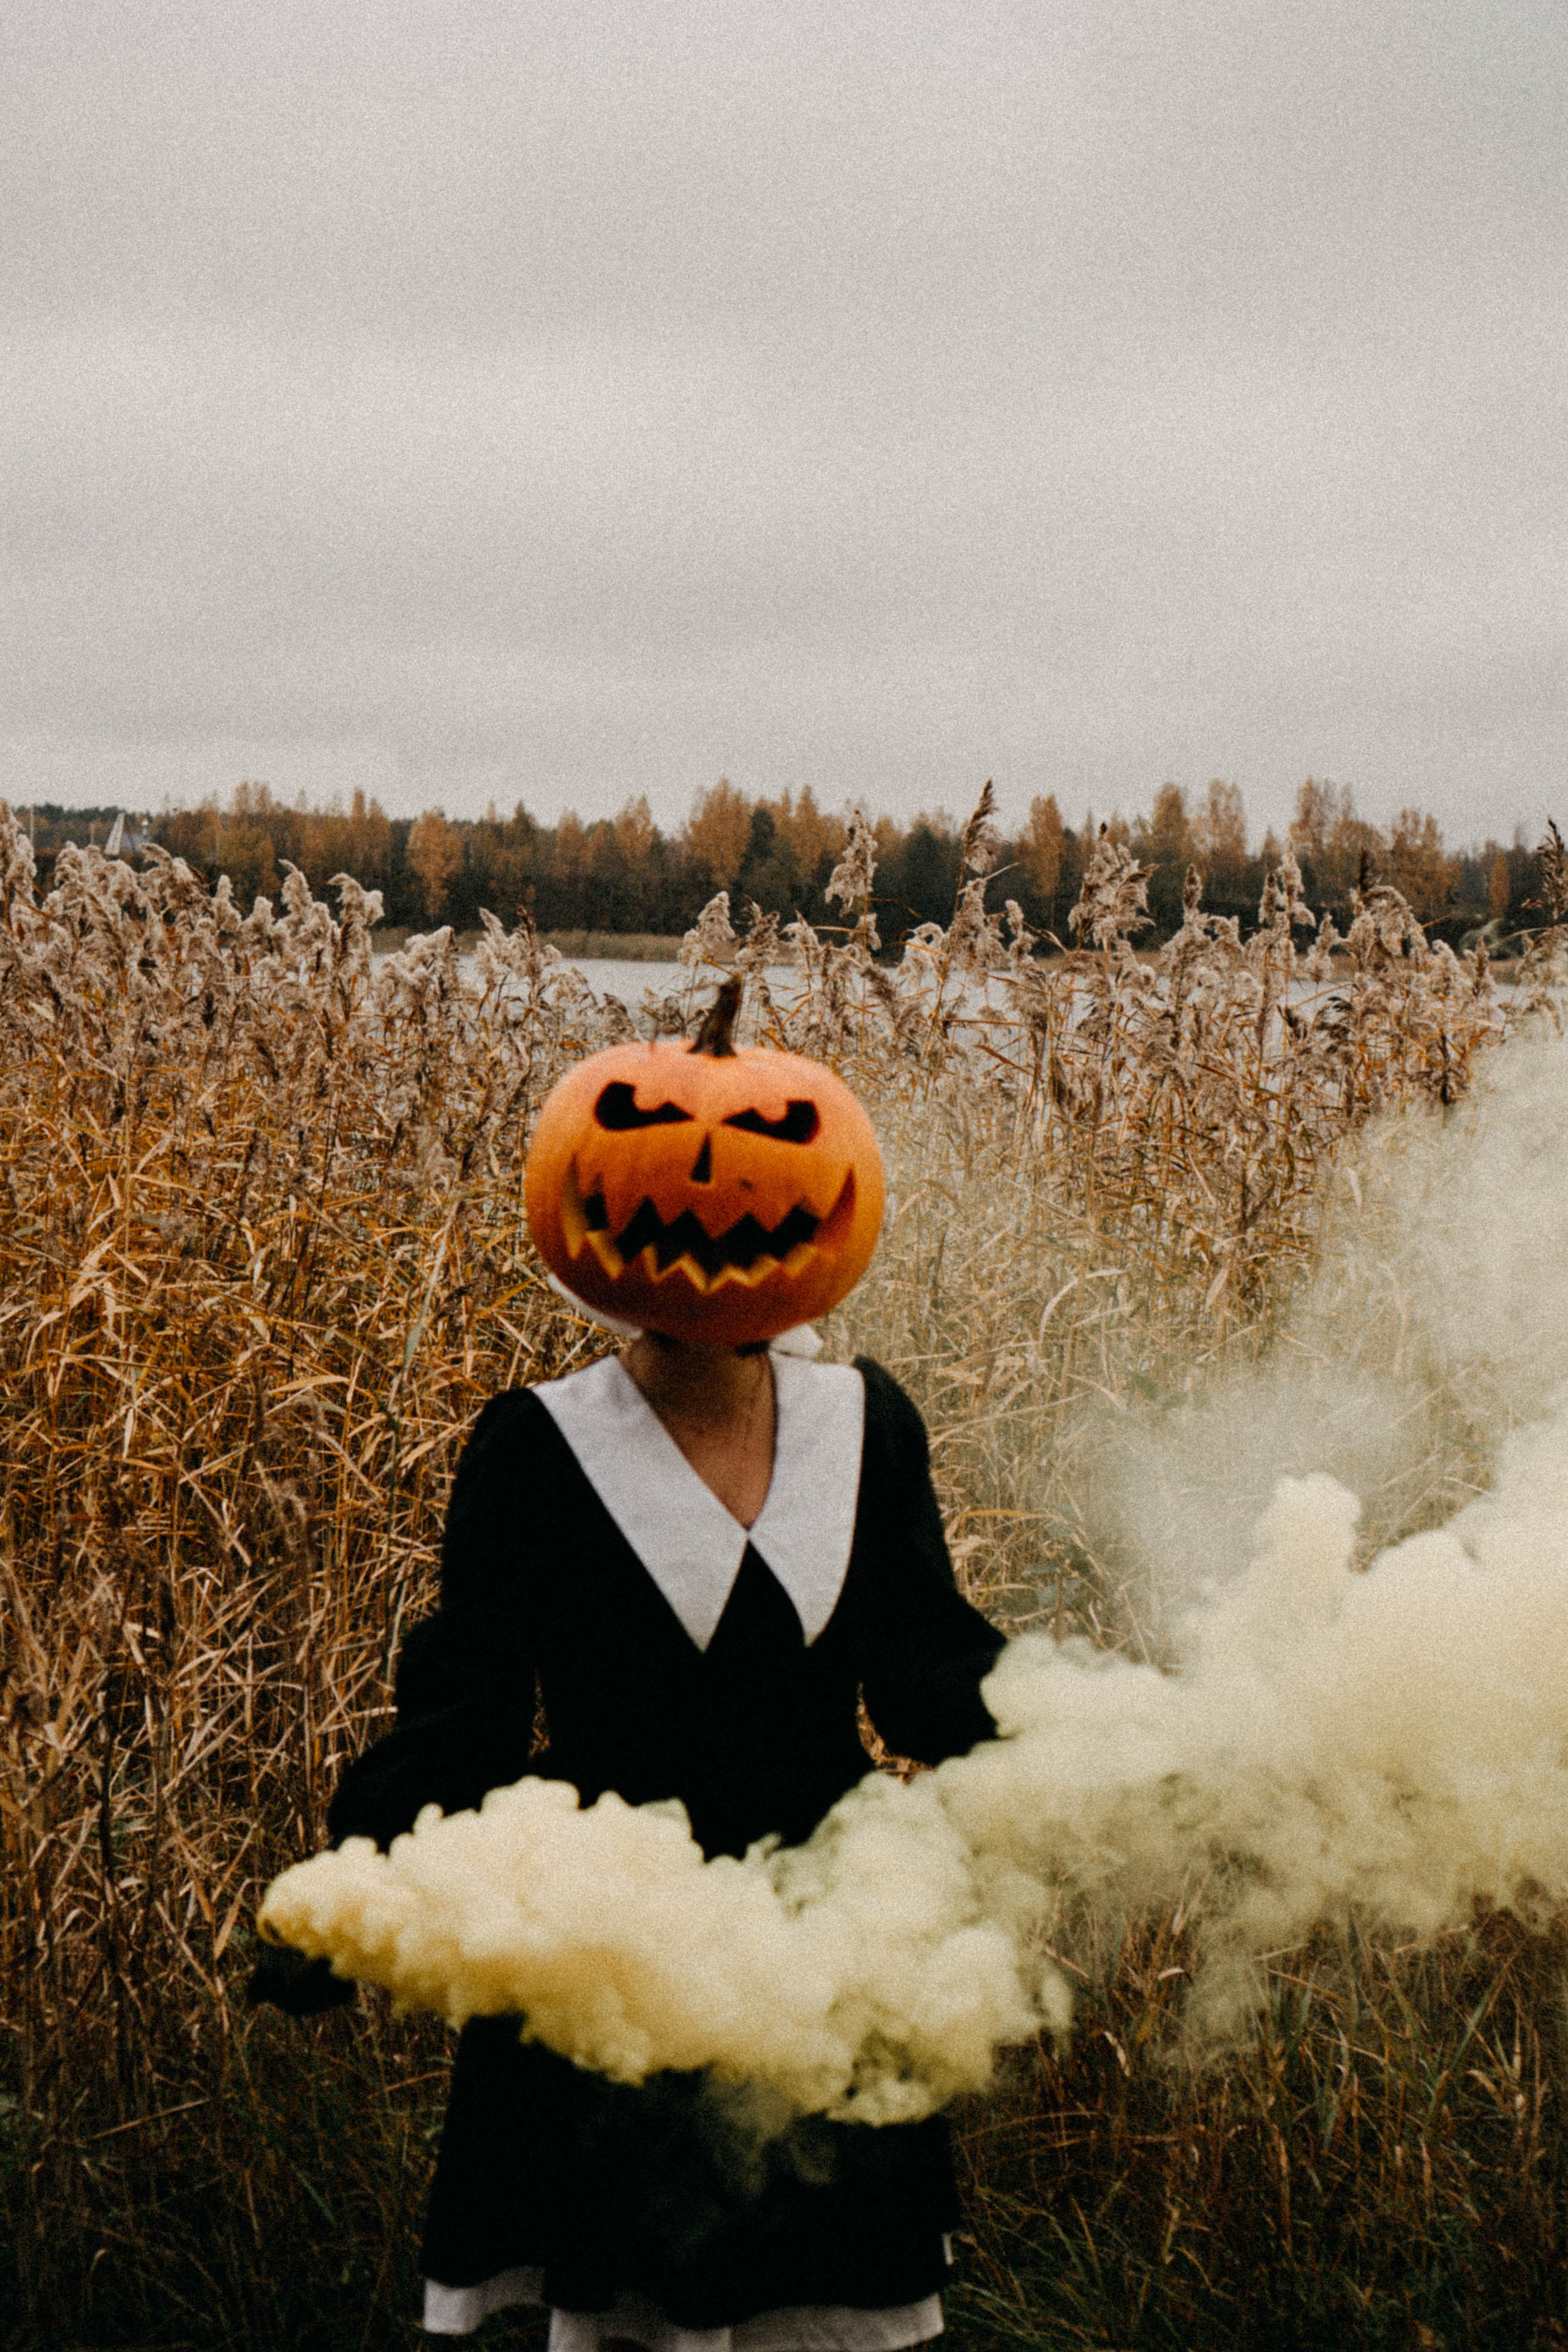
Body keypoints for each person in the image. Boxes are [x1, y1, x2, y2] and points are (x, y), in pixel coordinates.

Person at [251, 1003, 1006, 2350]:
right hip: (605, 1943)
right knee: (636, 2316)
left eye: (770, 1147)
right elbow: (464, 1715)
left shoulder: (867, 1424)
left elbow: (927, 1672)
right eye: (656, 1146)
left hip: (823, 1936)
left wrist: (1094, 1750)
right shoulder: (537, 1448)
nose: (712, 1188)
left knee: (825, 2310)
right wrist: (341, 1901)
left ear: (826, 1201)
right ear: (581, 1209)